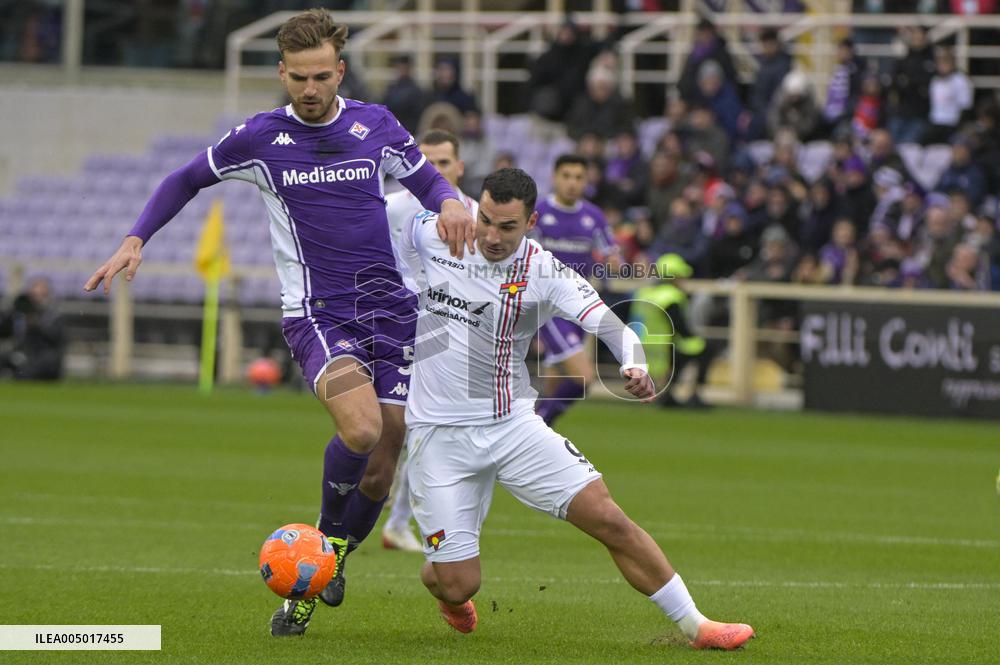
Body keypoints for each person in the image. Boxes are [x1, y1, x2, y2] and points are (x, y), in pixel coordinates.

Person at [81, 9, 475, 637]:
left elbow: (428, 181)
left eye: (321, 76)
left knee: (389, 448)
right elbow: (185, 179)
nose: (311, 89)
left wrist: (451, 201)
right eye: (299, 78)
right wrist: (136, 238)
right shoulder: (258, 138)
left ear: (340, 70)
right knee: (363, 426)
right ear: (282, 73)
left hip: (396, 313)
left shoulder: (376, 124)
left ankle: (329, 563)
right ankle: (320, 543)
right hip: (319, 315)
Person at [395, 168, 754, 650]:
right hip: (438, 437)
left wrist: (634, 364)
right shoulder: (438, 232)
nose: (493, 236)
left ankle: (697, 626)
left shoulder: (544, 271)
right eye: (487, 221)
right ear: (476, 209)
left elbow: (615, 328)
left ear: (531, 222)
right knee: (459, 583)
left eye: (508, 227)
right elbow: (367, 214)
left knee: (607, 516)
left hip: (512, 426)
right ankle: (446, 582)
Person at [381, 129, 478, 553]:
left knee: (439, 428)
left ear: (460, 167)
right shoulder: (390, 207)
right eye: (426, 162)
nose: (434, 171)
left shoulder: (477, 213)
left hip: (461, 331)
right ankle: (393, 519)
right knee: (401, 427)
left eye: (443, 162)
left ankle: (404, 521)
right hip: (403, 323)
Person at [530, 155, 619, 426]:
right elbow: (525, 259)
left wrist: (615, 262)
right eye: (566, 176)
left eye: (578, 177)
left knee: (554, 385)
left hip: (579, 307)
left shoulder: (593, 217)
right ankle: (536, 428)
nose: (572, 183)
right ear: (554, 178)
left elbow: (612, 256)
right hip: (549, 308)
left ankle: (536, 439)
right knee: (582, 378)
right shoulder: (539, 213)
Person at [633, 254, 715, 409]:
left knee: (685, 351)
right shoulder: (670, 295)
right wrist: (697, 338)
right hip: (663, 347)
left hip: (641, 345)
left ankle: (666, 393)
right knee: (706, 349)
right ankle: (693, 394)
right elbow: (680, 327)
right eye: (681, 276)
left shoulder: (645, 292)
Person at [0, 277, 64, 380]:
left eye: (40, 295)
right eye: (34, 295)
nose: (36, 299)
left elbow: (55, 338)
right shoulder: (20, 314)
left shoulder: (52, 315)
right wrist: (10, 313)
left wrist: (36, 324)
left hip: (43, 356)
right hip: (22, 352)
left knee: (28, 371)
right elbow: (4, 332)